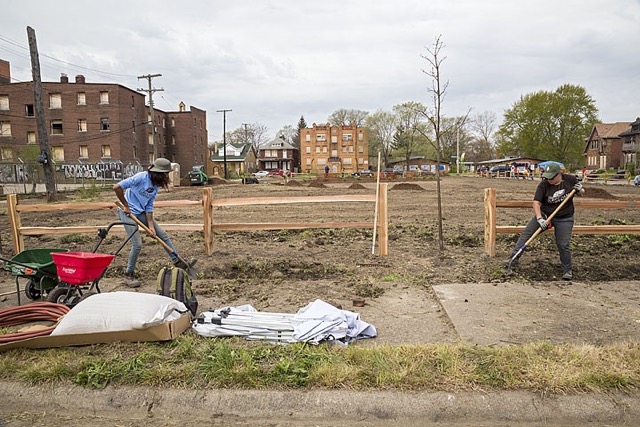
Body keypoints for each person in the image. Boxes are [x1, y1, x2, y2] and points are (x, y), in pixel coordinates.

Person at [114, 158, 195, 288]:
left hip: (141, 213)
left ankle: (178, 262)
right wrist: (126, 205)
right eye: (166, 174)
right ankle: (128, 274)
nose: (167, 177)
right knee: (137, 244)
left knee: (162, 234)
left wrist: (151, 226)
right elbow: (117, 187)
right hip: (127, 213)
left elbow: (149, 206)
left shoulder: (156, 185)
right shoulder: (141, 177)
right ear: (159, 173)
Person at [507, 162, 584, 281]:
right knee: (527, 235)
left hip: (564, 218)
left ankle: (567, 270)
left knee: (563, 244)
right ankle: (513, 259)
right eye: (547, 177)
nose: (549, 180)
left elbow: (581, 192)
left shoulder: (570, 180)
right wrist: (539, 218)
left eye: (552, 177)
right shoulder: (543, 185)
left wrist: (580, 190)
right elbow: (536, 203)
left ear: (559, 174)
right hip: (545, 215)